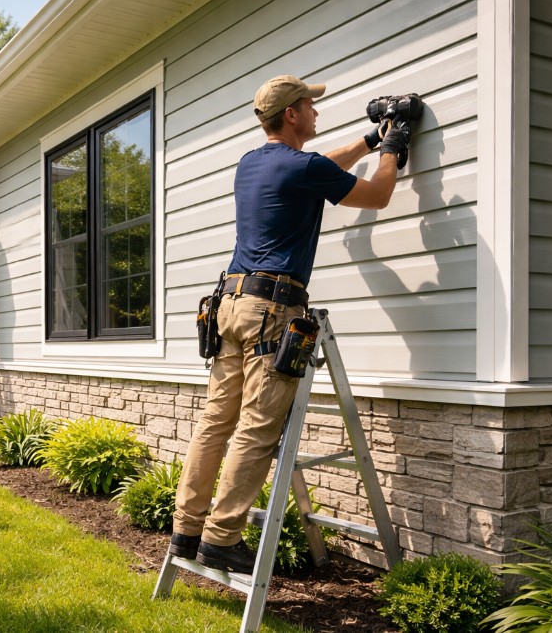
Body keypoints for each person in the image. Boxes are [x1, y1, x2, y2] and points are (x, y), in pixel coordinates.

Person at [170, 75, 412, 574]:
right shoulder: (303, 167)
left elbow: (322, 169)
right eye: (310, 105)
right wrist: (391, 148)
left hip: (230, 304)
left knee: (215, 423)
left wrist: (368, 140)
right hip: (272, 313)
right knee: (257, 428)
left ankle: (186, 531)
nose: (316, 112)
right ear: (292, 115)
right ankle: (221, 538)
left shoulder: (252, 163)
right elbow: (378, 194)